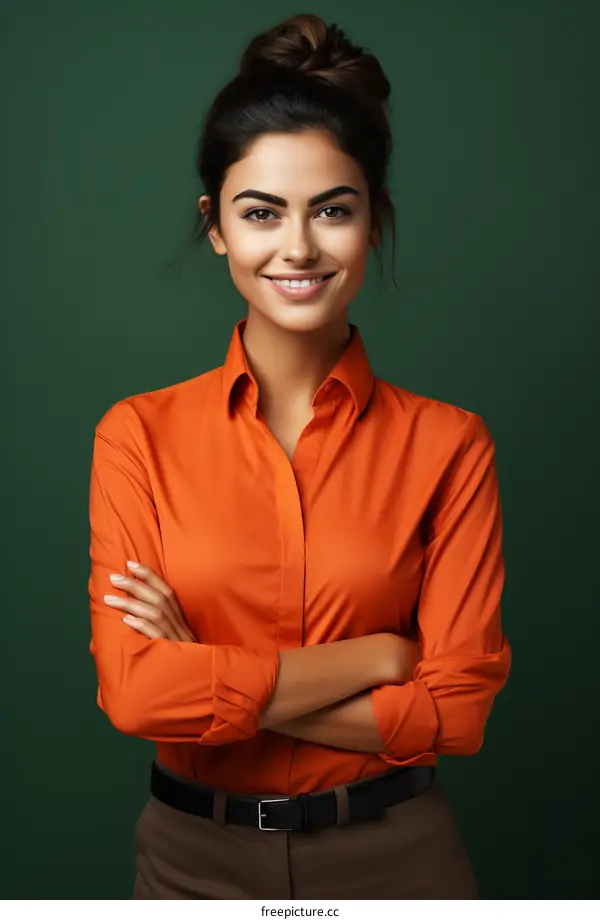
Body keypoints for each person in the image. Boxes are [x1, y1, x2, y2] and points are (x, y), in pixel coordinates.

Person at [87, 13, 512, 900]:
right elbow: (134, 698)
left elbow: (459, 715)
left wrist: (203, 676)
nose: (299, 248)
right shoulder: (136, 435)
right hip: (188, 864)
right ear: (215, 227)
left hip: (398, 862)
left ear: (372, 219)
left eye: (332, 209)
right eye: (261, 213)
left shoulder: (449, 446)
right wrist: (380, 658)